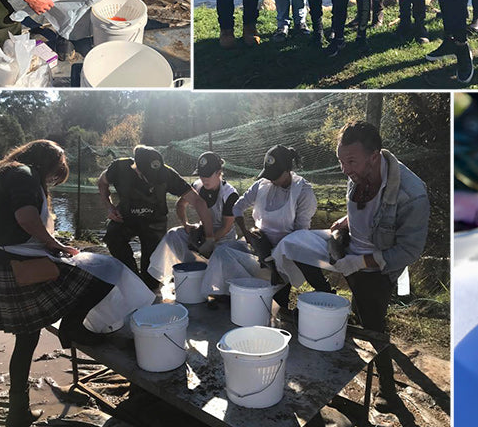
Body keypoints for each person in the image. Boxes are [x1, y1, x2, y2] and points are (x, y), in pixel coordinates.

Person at [0, 141, 153, 427]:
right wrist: (55, 245)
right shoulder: (22, 173)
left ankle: (17, 412)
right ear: (46, 162)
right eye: (54, 174)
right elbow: (25, 217)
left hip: (8, 262)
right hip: (24, 263)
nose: (52, 180)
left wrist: (48, 245)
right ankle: (72, 326)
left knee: (26, 341)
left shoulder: (2, 172)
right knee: (106, 272)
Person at [273, 120, 429, 413]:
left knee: (372, 325)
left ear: (374, 156)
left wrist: (360, 262)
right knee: (292, 244)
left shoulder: (412, 193)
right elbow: (364, 212)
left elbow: (409, 250)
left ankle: (387, 389)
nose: (345, 169)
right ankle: (322, 293)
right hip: (347, 247)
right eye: (341, 161)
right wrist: (345, 222)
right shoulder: (356, 170)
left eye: (351, 162)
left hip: (377, 266)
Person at [205, 145, 332, 304]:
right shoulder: (261, 185)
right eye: (269, 175)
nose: (271, 179)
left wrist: (276, 254)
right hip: (260, 243)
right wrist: (246, 232)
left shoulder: (303, 191)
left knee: (283, 287)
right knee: (223, 252)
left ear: (287, 170)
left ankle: (323, 295)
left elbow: (301, 235)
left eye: (275, 175)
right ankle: (230, 294)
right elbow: (237, 207)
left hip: (288, 249)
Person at [97, 145, 215, 289]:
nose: (153, 181)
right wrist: (109, 207)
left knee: (151, 281)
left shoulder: (166, 174)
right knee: (113, 237)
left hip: (154, 223)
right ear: (136, 168)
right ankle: (131, 277)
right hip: (125, 217)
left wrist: (209, 238)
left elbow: (198, 202)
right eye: (149, 178)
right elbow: (102, 183)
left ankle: (145, 283)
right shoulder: (119, 167)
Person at [147, 151, 239, 286]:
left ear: (219, 173)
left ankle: (216, 284)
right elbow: (180, 205)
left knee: (221, 254)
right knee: (173, 234)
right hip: (203, 232)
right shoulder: (197, 186)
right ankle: (185, 271)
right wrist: (186, 224)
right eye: (201, 175)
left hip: (224, 240)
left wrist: (209, 242)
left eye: (208, 175)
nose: (204, 179)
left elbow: (226, 227)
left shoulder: (230, 194)